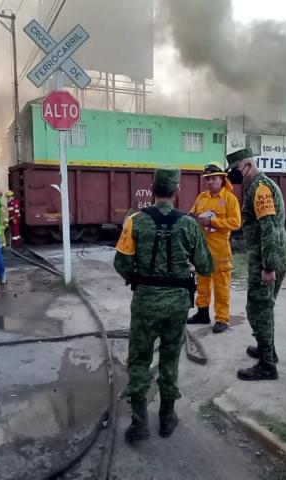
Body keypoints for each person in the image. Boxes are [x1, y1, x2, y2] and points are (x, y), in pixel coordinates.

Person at [114, 167, 214, 443]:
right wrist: (189, 267)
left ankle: (139, 424)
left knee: (139, 361)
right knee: (169, 361)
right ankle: (167, 419)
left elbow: (121, 263)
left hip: (145, 303)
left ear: (153, 188)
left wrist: (139, 277)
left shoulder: (135, 221)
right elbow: (207, 266)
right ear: (176, 191)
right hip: (177, 306)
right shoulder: (189, 224)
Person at [226, 148, 286, 381]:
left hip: (268, 259)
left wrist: (269, 267)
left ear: (247, 166)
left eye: (234, 170)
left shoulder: (261, 188)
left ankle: (267, 365)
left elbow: (269, 228)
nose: (232, 175)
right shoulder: (256, 186)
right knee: (263, 306)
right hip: (268, 256)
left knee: (259, 308)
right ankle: (268, 350)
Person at [187, 162, 241, 333]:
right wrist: (192, 217)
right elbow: (193, 213)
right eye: (207, 179)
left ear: (222, 179)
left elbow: (236, 222)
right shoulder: (202, 197)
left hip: (220, 250)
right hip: (202, 249)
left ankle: (222, 319)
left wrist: (212, 221)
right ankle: (202, 313)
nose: (210, 182)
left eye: (213, 178)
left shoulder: (229, 199)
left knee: (221, 285)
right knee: (202, 282)